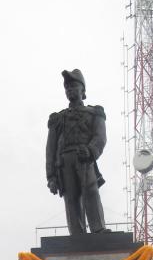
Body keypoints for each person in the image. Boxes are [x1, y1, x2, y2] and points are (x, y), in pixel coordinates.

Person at [46, 68, 111, 235]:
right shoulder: (58, 118)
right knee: (71, 198)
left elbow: (100, 137)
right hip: (64, 161)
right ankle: (76, 233)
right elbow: (50, 148)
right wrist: (51, 176)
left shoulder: (94, 113)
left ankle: (98, 229)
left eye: (74, 86)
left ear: (83, 90)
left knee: (91, 191)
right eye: (67, 88)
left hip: (85, 158)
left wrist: (90, 151)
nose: (70, 90)